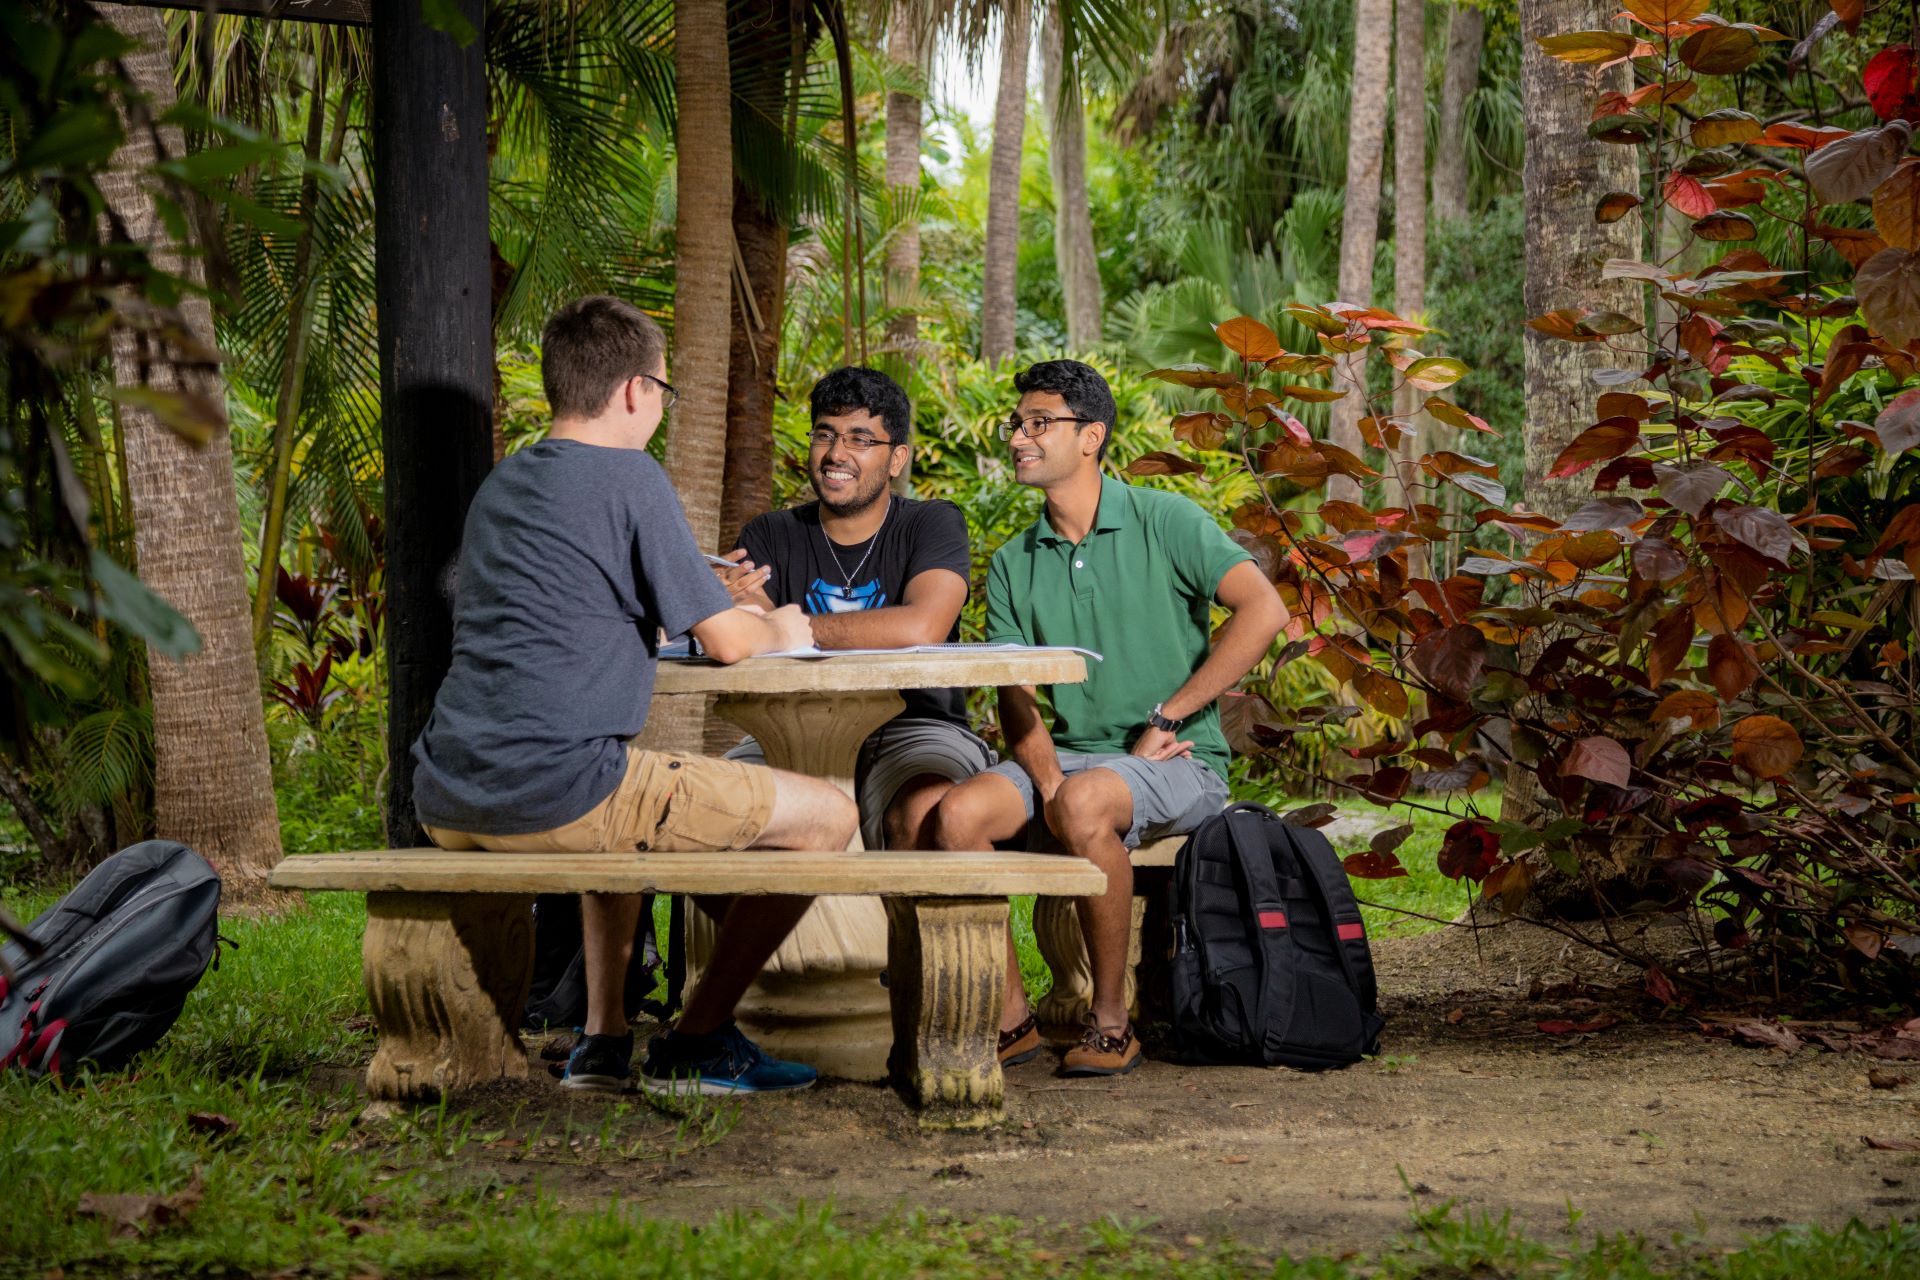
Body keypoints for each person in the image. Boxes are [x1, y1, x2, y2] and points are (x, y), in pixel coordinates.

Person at [408, 295, 858, 1096]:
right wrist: (787, 627)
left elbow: (564, 610)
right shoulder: (630, 474)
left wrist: (695, 589)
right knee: (831, 815)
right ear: (631, 391)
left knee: (619, 774)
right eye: (662, 390)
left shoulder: (505, 485)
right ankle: (700, 1037)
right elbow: (726, 644)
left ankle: (604, 1042)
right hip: (556, 794)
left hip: (450, 792)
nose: (658, 406)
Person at [928, 359, 1288, 1077]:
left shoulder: (1166, 519)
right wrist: (1049, 778)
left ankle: (1111, 1024)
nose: (1020, 438)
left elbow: (1265, 611)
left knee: (1087, 803)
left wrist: (1174, 712)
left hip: (1178, 763)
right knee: (958, 815)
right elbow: (1016, 694)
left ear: (1091, 436)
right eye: (1017, 424)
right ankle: (1012, 1020)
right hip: (1068, 759)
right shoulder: (1011, 562)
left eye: (1040, 423)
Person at [717, 367, 994, 849]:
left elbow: (923, 625)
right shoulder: (768, 534)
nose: (836, 454)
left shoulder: (932, 524)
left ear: (896, 458)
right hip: (792, 727)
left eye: (860, 439)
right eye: (825, 434)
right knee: (719, 809)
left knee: (924, 810)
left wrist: (787, 629)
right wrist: (750, 619)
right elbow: (747, 633)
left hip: (917, 726)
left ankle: (906, 929)